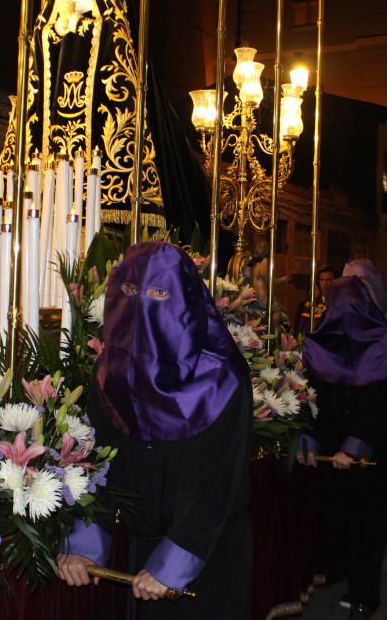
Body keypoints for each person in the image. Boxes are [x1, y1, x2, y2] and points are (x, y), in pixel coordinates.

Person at [57, 242, 253, 619]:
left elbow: (215, 484)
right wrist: (84, 542)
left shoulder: (220, 378)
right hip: (144, 553)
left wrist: (174, 561)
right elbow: (95, 464)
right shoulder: (110, 375)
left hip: (209, 551)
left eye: (160, 293)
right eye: (131, 291)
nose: (143, 305)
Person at [299, 260, 387, 619]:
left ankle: (364, 593)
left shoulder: (382, 343)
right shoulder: (321, 341)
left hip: (370, 451)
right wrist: (309, 438)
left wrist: (355, 444)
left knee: (366, 523)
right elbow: (310, 397)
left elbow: (381, 405)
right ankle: (337, 568)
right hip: (331, 447)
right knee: (335, 514)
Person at [294, 264, 336, 336]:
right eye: (321, 280)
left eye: (328, 280)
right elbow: (301, 330)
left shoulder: (340, 303)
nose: (325, 284)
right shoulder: (309, 306)